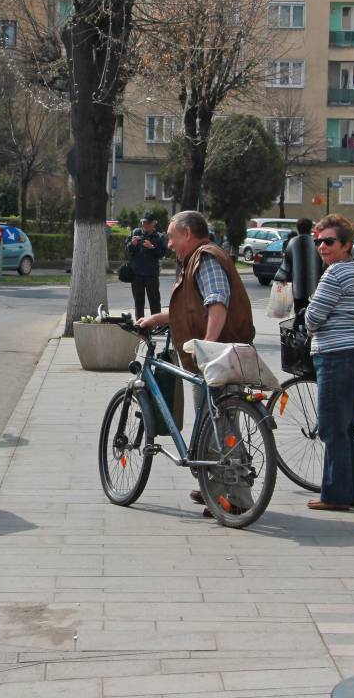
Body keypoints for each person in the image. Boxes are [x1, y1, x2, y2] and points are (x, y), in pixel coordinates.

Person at [136, 210, 254, 513]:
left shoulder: (206, 258)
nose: (170, 244)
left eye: (172, 237)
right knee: (211, 424)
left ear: (188, 233)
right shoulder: (194, 261)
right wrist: (157, 318)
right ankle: (213, 485)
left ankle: (236, 500)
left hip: (219, 356)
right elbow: (193, 308)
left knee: (220, 425)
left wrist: (207, 347)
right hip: (217, 356)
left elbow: (217, 302)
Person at [304, 213, 354, 511]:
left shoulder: (334, 274)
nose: (322, 247)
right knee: (346, 427)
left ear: (346, 245)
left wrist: (316, 310)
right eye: (319, 242)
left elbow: (312, 318)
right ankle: (352, 494)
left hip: (337, 356)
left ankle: (334, 496)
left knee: (332, 428)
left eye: (329, 242)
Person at [274, 217, 324, 315]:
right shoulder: (317, 243)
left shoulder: (292, 243)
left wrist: (280, 277)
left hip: (298, 286)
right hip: (315, 287)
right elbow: (324, 263)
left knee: (299, 311)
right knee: (313, 312)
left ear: (298, 228)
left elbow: (286, 264)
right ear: (310, 228)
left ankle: (298, 324)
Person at [126, 212, 168, 320]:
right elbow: (127, 250)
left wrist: (152, 247)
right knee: (138, 301)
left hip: (151, 274)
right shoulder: (136, 232)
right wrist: (132, 244)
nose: (145, 225)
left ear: (154, 223)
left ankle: (157, 324)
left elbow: (163, 253)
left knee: (154, 300)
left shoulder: (159, 236)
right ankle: (140, 325)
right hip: (136, 274)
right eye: (143, 222)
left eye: (148, 223)